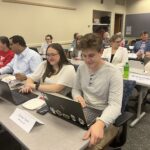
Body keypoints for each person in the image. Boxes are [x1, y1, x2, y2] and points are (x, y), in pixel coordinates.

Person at [72, 33, 123, 147]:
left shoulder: (113, 73)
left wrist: (100, 123)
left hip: (104, 115)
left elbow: (115, 105)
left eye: (91, 55)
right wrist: (77, 97)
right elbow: (75, 89)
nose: (87, 60)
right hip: (85, 110)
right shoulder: (81, 68)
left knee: (90, 145)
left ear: (101, 52)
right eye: (84, 56)